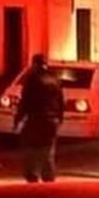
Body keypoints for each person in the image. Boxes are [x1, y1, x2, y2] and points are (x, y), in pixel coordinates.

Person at [15, 53, 65, 183]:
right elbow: (61, 100)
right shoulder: (54, 78)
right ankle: (48, 175)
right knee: (48, 149)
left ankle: (31, 174)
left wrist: (18, 119)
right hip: (51, 119)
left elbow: (25, 100)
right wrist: (60, 117)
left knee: (30, 147)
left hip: (36, 118)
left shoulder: (32, 79)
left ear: (35, 64)